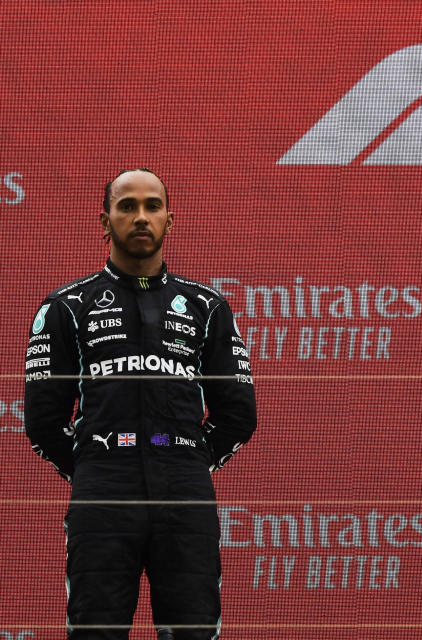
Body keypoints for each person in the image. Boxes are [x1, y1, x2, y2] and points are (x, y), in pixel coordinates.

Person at [24, 169, 257, 638]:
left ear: (171, 220)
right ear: (105, 221)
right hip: (103, 495)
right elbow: (43, 420)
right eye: (126, 206)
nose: (140, 217)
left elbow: (238, 413)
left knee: (192, 632)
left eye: (152, 206)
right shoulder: (68, 306)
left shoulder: (206, 306)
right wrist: (95, 465)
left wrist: (188, 459)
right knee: (95, 632)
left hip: (185, 493)